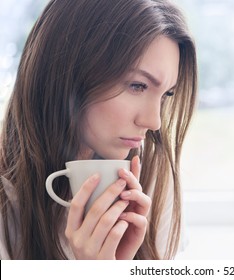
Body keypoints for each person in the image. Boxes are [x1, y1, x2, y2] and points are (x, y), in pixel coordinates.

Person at [0, 0, 197, 260]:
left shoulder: (153, 182)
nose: (154, 122)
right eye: (138, 86)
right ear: (69, 74)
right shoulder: (8, 201)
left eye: (166, 94)